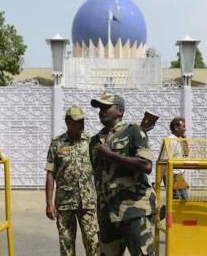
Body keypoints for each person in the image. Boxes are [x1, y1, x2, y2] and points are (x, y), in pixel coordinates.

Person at [89, 93, 156, 256]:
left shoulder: (132, 131)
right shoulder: (95, 141)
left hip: (133, 210)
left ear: (120, 111)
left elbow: (146, 165)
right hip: (107, 214)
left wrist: (110, 155)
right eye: (100, 108)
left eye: (106, 107)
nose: (101, 111)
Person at [45, 105, 99, 256]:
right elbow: (50, 173)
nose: (81, 124)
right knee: (66, 244)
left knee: (93, 242)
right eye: (77, 121)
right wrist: (49, 203)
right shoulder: (57, 143)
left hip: (88, 201)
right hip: (64, 203)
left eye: (82, 120)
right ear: (68, 121)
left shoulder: (91, 141)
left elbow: (100, 169)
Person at [168, 117, 189, 200]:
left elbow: (186, 154)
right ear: (176, 128)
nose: (185, 129)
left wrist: (184, 139)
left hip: (178, 175)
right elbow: (165, 159)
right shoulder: (171, 140)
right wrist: (158, 182)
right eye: (183, 127)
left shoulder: (178, 140)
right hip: (174, 175)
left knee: (181, 200)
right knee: (180, 200)